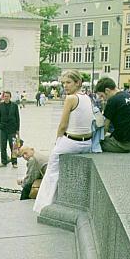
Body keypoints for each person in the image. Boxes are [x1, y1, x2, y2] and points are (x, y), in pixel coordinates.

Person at [34, 70, 96, 213]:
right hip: (87, 143)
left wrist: (57, 141)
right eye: (63, 83)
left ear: (78, 83)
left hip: (71, 143)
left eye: (68, 82)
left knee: (51, 172)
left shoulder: (71, 99)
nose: (65, 86)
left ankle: (43, 206)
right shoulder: (87, 98)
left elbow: (62, 125)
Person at [95, 77, 130, 153]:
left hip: (123, 144)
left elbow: (105, 127)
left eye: (102, 96)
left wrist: (96, 139)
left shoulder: (112, 101)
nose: (102, 99)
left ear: (107, 90)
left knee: (95, 144)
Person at [0, 90, 20, 168]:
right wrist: (0, 125)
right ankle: (3, 161)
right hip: (3, 129)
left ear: (10, 97)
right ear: (3, 97)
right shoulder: (0, 105)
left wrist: (17, 129)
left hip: (12, 129)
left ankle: (14, 162)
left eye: (7, 96)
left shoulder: (14, 106)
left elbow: (17, 118)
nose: (6, 98)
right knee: (3, 146)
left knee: (13, 146)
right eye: (5, 96)